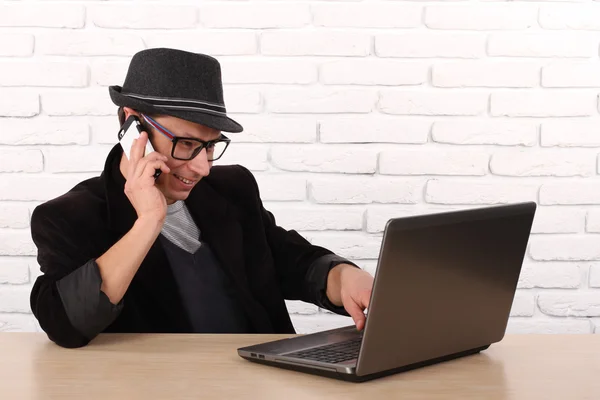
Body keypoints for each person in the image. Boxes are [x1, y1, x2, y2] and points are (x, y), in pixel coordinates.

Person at [29, 48, 374, 349]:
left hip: (260, 382)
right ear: (133, 125)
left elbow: (291, 261)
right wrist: (149, 221)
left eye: (210, 145)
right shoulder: (69, 217)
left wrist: (344, 276)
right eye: (187, 144)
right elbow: (65, 324)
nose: (202, 167)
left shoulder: (232, 188)